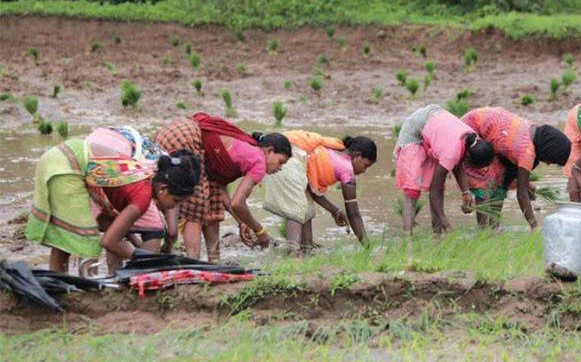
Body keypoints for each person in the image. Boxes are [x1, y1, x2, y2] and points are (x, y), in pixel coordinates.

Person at [25, 126, 200, 274]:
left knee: (67, 236)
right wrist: (141, 257)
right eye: (176, 201)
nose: (175, 207)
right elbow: (108, 241)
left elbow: (111, 223)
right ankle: (67, 289)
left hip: (62, 154)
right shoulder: (142, 197)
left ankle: (61, 284)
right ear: (163, 189)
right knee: (82, 238)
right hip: (68, 166)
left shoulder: (141, 176)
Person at [154, 113, 291, 261]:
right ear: (269, 151)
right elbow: (237, 203)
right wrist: (260, 230)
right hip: (187, 138)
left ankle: (214, 260)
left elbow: (221, 192)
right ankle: (193, 263)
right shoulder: (259, 162)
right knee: (196, 207)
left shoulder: (246, 148)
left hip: (173, 131)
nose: (280, 168)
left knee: (213, 200)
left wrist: (242, 222)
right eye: (281, 162)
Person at [462, 107, 571, 229]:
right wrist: (534, 226)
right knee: (484, 182)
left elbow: (510, 161)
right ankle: (483, 231)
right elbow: (522, 195)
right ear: (549, 151)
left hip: (487, 125)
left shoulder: (531, 130)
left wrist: (524, 182)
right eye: (552, 160)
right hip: (471, 130)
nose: (548, 164)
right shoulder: (526, 153)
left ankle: (493, 228)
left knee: (501, 182)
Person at [264, 132, 376, 251]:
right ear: (358, 155)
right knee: (296, 209)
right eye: (366, 165)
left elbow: (312, 191)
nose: (364, 171)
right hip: (289, 159)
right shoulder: (347, 170)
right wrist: (368, 247)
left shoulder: (334, 150)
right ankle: (294, 254)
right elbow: (353, 214)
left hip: (291, 156)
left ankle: (306, 249)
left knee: (307, 209)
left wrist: (335, 211)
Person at [394, 104, 494, 234]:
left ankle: (437, 234)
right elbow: (433, 195)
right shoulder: (451, 152)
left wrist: (466, 192)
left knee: (439, 187)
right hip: (415, 129)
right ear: (469, 157)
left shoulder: (473, 140)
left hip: (436, 125)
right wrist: (448, 226)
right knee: (412, 191)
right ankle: (407, 239)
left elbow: (459, 162)